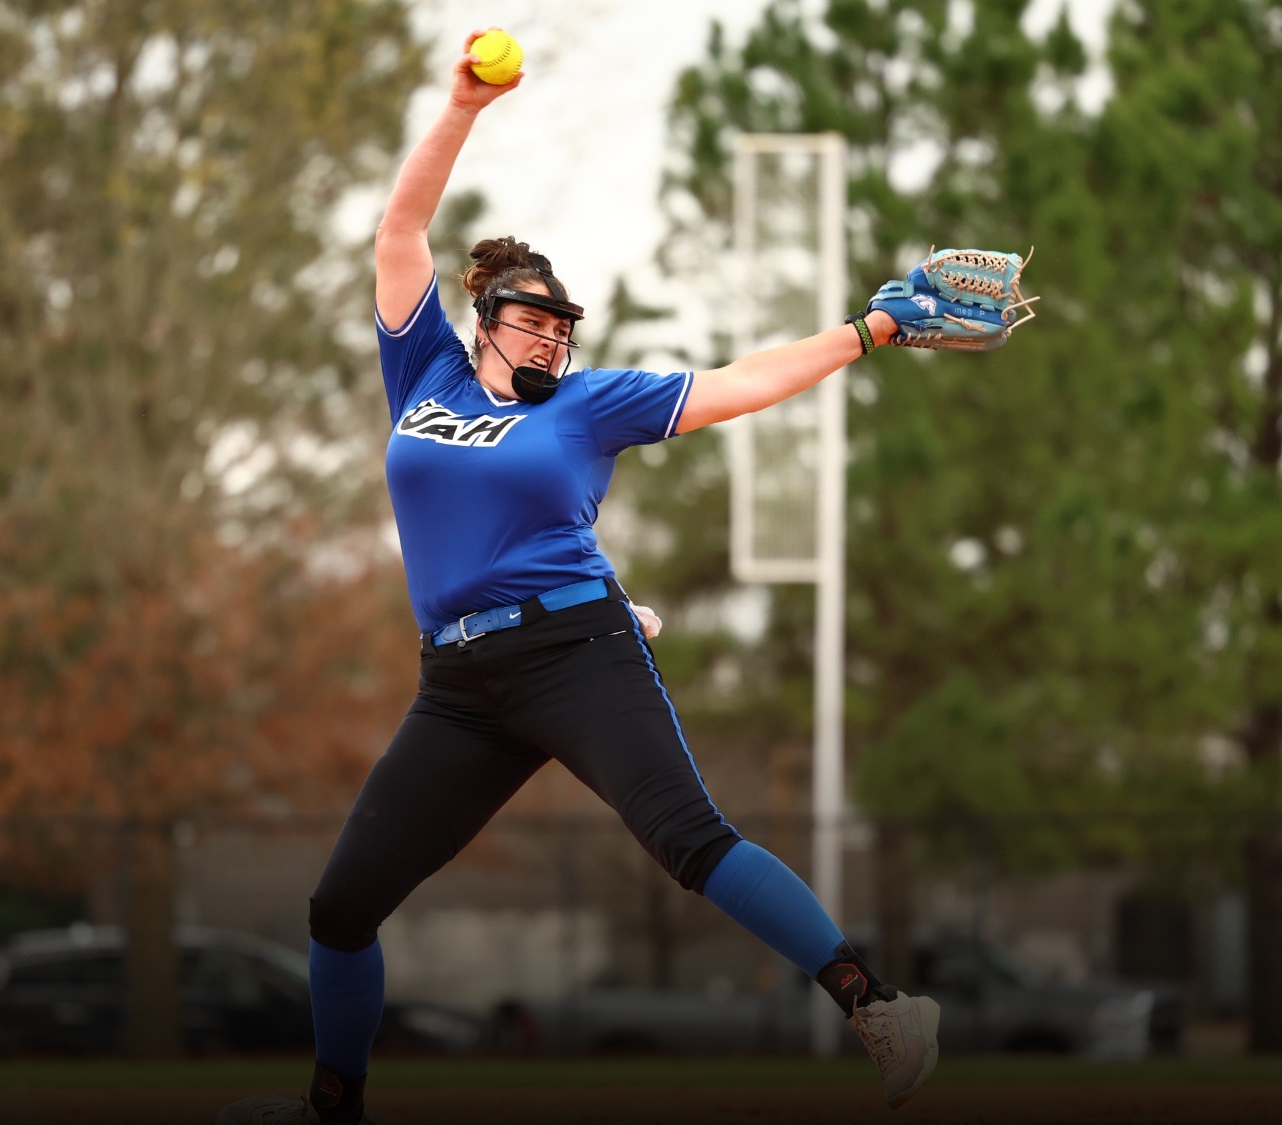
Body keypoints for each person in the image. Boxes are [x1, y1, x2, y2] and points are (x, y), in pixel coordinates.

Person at [217, 29, 1014, 1125]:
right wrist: (461, 106)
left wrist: (865, 329)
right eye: (531, 320)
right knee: (339, 907)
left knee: (687, 839)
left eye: (561, 325)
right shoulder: (423, 373)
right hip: (455, 688)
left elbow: (736, 383)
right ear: (484, 319)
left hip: (570, 649)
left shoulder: (592, 405)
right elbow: (398, 228)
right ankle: (330, 1109)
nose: (549, 337)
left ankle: (878, 1008)